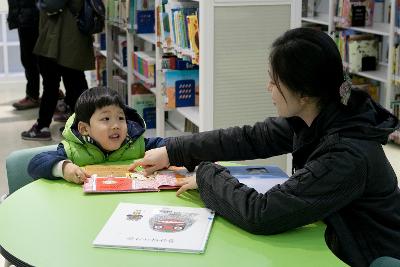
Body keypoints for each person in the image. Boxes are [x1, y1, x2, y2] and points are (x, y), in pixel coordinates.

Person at [129, 27, 400, 266]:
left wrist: (206, 175)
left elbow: (263, 213)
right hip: (336, 239)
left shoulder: (346, 154)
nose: (267, 87)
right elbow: (250, 138)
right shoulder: (321, 116)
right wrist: (173, 151)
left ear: (304, 93)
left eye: (274, 81)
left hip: (364, 255)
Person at [28, 86, 165, 184]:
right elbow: (35, 164)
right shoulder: (72, 150)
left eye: (121, 118)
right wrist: (64, 168)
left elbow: (169, 146)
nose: (116, 125)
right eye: (106, 119)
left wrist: (165, 152)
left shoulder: (136, 143)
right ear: (84, 129)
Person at [21, 0, 94, 141]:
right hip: (69, 36)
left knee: (55, 84)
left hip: (61, 38)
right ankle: (81, 126)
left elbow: (51, 4)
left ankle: (43, 127)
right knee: (74, 82)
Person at [7, 0, 41, 110]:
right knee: (30, 59)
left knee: (31, 59)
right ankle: (35, 95)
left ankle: (33, 96)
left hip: (30, 18)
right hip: (26, 17)